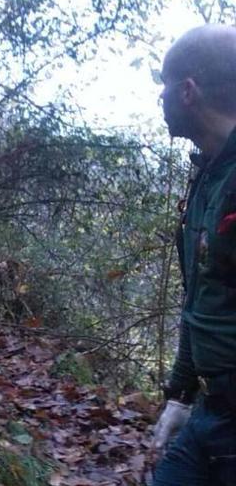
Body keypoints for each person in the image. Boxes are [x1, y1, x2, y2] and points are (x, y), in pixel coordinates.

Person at [152, 25, 236, 486]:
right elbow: (199, 297)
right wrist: (181, 395)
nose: (159, 100)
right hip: (209, 411)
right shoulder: (207, 171)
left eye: (163, 87)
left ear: (187, 91)